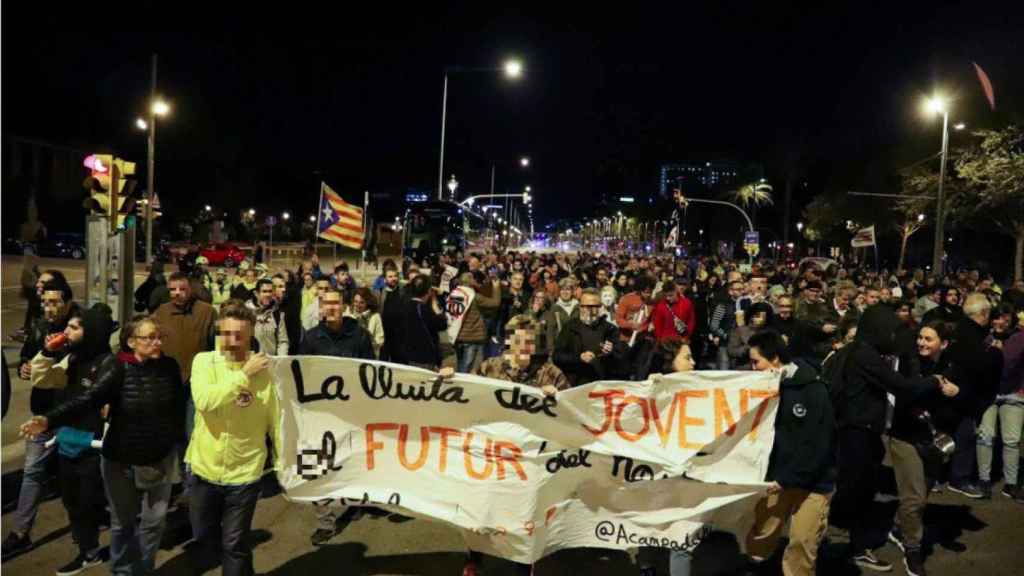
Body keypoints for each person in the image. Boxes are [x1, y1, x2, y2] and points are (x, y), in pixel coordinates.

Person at [22, 314, 184, 576]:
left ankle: (143, 569)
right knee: (122, 524)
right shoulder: (117, 367)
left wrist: (175, 442)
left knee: (154, 523)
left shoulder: (169, 367)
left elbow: (178, 407)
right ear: (131, 342)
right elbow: (89, 398)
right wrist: (47, 419)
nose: (157, 342)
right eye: (149, 337)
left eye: (159, 337)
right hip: (120, 460)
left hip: (159, 459)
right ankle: (121, 570)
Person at [826, 305, 959, 572]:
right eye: (890, 330)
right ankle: (845, 548)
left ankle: (846, 543)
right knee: (856, 492)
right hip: (858, 433)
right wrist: (934, 381)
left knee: (856, 490)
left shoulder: (855, 350)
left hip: (856, 431)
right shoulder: (865, 355)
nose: (894, 336)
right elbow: (901, 386)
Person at [186, 301, 280, 576]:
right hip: (204, 470)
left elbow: (275, 421)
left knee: (234, 543)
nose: (232, 341)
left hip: (244, 472)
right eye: (226, 334)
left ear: (251, 334)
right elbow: (204, 401)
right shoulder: (203, 362)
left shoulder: (265, 371)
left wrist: (283, 461)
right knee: (204, 538)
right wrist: (243, 375)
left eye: (240, 335)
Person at [26, 304, 116, 575]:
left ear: (92, 332)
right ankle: (87, 548)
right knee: (72, 501)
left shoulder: (108, 363)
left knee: (88, 502)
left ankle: (92, 551)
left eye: (74, 327)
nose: (66, 331)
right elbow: (42, 380)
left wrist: (48, 420)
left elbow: (88, 399)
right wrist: (46, 353)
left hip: (93, 445)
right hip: (68, 442)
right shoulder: (72, 358)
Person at [744, 330, 835, 576]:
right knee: (763, 531)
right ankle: (754, 566)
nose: (752, 369)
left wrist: (786, 479)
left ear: (774, 359)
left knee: (802, 542)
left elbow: (818, 445)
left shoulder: (814, 390)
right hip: (776, 478)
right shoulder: (761, 389)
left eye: (756, 362)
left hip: (813, 482)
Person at [4, 276, 79, 557]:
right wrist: (24, 367)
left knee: (76, 472)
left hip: (72, 413)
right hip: (42, 412)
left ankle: (85, 529)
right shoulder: (37, 326)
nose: (49, 308)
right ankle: (20, 532)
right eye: (45, 303)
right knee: (33, 472)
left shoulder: (77, 328)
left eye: (54, 302)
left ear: (67, 302)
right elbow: (26, 358)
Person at [886, 321, 963, 576]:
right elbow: (906, 393)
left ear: (944, 343)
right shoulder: (907, 362)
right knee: (915, 497)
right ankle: (913, 549)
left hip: (932, 440)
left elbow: (966, 401)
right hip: (904, 435)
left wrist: (956, 393)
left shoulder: (951, 365)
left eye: (928, 339)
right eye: (920, 337)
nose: (921, 343)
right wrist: (932, 383)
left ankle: (898, 527)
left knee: (922, 493)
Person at [554, 288, 628, 387]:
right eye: (586, 306)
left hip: (602, 383)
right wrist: (579, 358)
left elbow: (621, 359)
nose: (590, 310)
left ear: (600, 307)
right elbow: (557, 356)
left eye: (594, 306)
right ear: (580, 307)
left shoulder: (610, 329)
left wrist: (611, 352)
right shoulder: (570, 327)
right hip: (575, 384)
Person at [299, 287, 375, 359]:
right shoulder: (310, 338)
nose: (331, 308)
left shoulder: (361, 336)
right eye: (327, 303)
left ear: (344, 307)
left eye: (335, 303)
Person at [452, 272, 502, 374]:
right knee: (466, 368)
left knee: (460, 364)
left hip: (457, 335)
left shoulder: (454, 293)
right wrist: (496, 287)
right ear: (471, 281)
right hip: (471, 336)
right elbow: (495, 303)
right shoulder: (474, 297)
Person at [399, 275, 449, 370]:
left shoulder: (403, 305)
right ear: (429, 291)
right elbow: (442, 325)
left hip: (407, 355)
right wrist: (435, 302)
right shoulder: (423, 309)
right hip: (424, 359)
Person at [249, 278, 289, 356]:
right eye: (264, 291)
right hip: (252, 363)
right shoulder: (246, 313)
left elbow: (283, 341)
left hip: (272, 363)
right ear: (256, 293)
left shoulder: (277, 314)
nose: (268, 295)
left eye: (270, 291)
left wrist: (280, 359)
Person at [728, 302, 773, 370]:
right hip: (745, 370)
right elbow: (732, 351)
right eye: (757, 316)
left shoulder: (770, 332)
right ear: (752, 316)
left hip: (766, 370)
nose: (760, 319)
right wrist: (748, 347)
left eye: (764, 316)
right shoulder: (740, 331)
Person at [709, 280, 743, 369]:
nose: (741, 291)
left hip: (741, 345)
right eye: (738, 289)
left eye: (742, 289)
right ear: (730, 291)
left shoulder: (745, 305)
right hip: (725, 345)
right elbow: (714, 325)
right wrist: (726, 336)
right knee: (724, 372)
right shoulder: (722, 305)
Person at [349, 288, 385, 358]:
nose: (358, 305)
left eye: (361, 302)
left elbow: (380, 340)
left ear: (367, 303)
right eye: (356, 302)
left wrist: (368, 340)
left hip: (370, 356)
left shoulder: (375, 317)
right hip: (353, 356)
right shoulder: (349, 316)